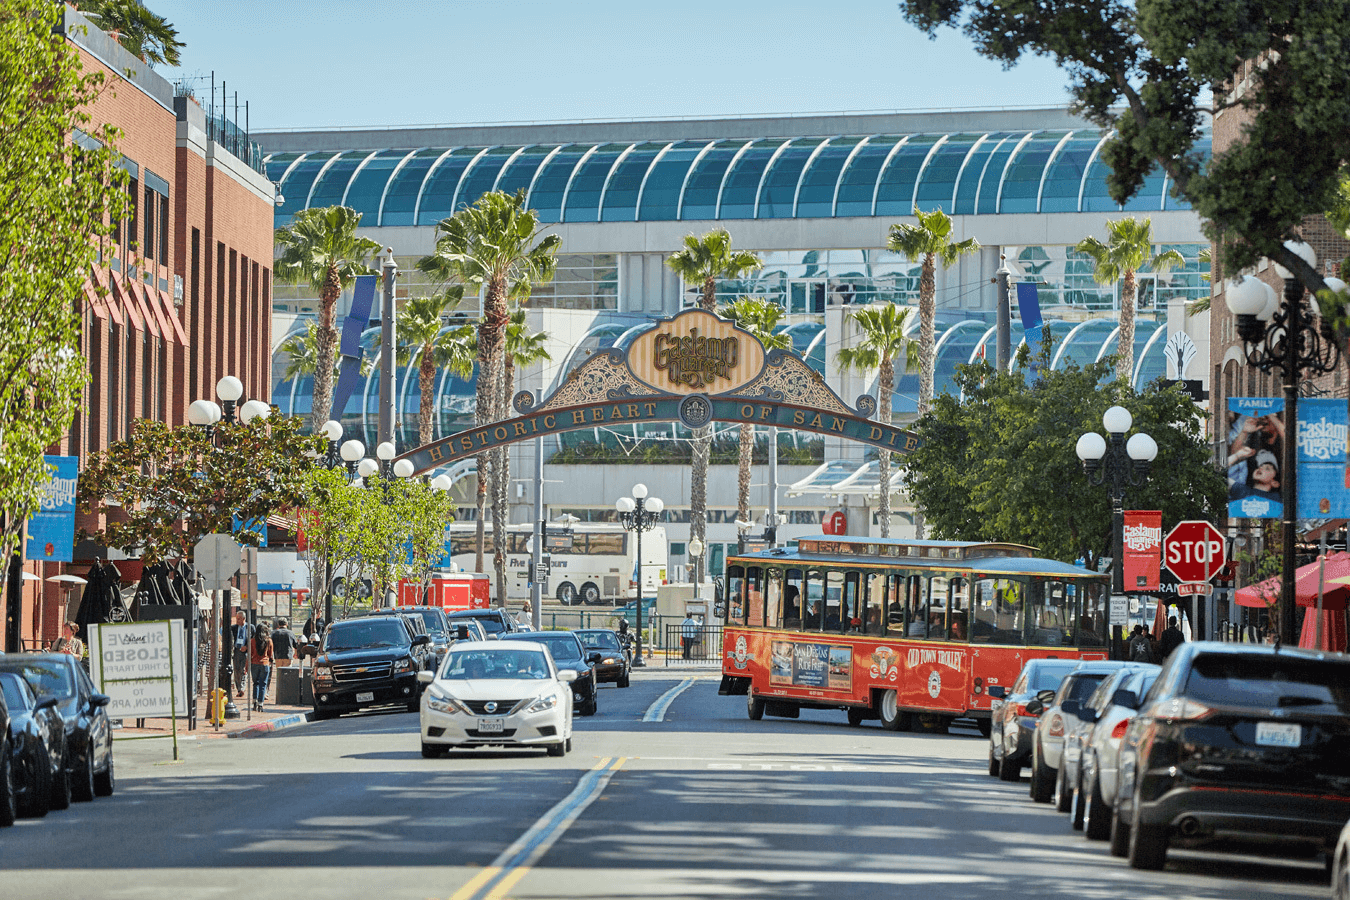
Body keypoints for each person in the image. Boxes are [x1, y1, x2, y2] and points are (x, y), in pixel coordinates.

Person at [249, 621, 274, 712]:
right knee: (263, 684)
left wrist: (247, 666)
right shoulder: (268, 641)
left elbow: (250, 654)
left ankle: (254, 702)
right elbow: (270, 654)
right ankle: (260, 704)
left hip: (254, 663)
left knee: (255, 683)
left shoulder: (252, 641)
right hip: (265, 664)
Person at [231, 610, 252, 698]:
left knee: (243, 670)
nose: (237, 620)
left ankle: (242, 688)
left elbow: (253, 640)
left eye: (239, 618)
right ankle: (239, 688)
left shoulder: (250, 627)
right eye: (237, 618)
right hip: (236, 651)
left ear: (244, 618)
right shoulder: (233, 628)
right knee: (236, 670)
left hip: (245, 652)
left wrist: (247, 647)